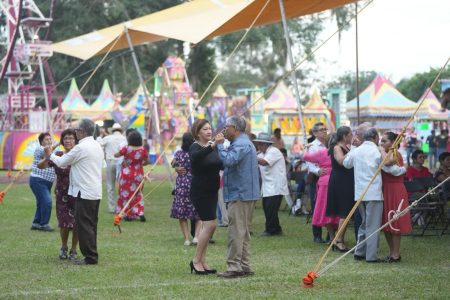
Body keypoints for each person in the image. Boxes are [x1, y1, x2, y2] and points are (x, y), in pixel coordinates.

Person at [46, 119, 103, 265]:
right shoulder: (97, 145)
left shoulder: (81, 147)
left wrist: (50, 154)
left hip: (83, 191)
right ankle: (92, 254)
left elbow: (61, 162)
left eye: (77, 130)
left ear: (82, 131)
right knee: (91, 225)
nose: (75, 133)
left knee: (84, 226)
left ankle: (90, 257)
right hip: (94, 190)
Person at [216, 116, 260, 279]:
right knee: (243, 231)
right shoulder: (244, 142)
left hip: (240, 193)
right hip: (246, 193)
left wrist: (220, 146)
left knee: (235, 230)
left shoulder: (241, 143)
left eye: (226, 127)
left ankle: (234, 266)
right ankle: (245, 265)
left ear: (234, 128)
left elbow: (229, 160)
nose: (224, 130)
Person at [343, 127, 383, 263]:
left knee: (365, 223)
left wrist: (353, 148)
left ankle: (359, 252)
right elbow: (387, 166)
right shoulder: (377, 151)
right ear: (376, 137)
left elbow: (346, 164)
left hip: (360, 193)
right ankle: (371, 256)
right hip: (373, 193)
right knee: (372, 225)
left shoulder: (358, 150)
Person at [188, 119, 223, 275]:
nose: (209, 131)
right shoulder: (195, 147)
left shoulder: (213, 147)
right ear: (197, 132)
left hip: (212, 190)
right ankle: (196, 260)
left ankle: (202, 260)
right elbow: (196, 158)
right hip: (200, 191)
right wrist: (213, 145)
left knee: (210, 226)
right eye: (205, 129)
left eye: (210, 129)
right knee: (209, 225)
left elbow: (219, 164)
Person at [39, 129, 79, 260]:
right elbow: (41, 166)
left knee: (77, 223)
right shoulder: (58, 155)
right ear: (62, 141)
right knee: (63, 223)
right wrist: (48, 154)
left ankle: (74, 249)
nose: (68, 140)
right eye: (65, 138)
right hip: (62, 194)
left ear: (76, 140)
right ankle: (64, 247)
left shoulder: (79, 155)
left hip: (78, 193)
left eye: (71, 138)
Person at [380, 132, 411, 263]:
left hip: (396, 189)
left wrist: (381, 151)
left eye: (384, 141)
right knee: (386, 222)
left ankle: (396, 254)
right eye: (381, 141)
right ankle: (392, 252)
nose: (381, 144)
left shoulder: (395, 154)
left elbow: (390, 169)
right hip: (385, 189)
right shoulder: (385, 154)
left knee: (395, 220)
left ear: (393, 142)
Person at [303, 133, 340, 244]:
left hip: (324, 182)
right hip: (338, 181)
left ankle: (332, 237)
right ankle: (336, 237)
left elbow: (305, 157)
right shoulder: (341, 151)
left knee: (325, 209)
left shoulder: (322, 152)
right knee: (337, 210)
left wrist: (306, 148)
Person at [255, 133, 289, 236]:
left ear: (266, 144)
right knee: (267, 208)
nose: (259, 146)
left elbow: (264, 162)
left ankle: (271, 230)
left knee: (271, 208)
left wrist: (251, 154)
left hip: (276, 186)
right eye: (258, 144)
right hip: (267, 187)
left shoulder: (274, 151)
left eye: (260, 144)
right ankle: (276, 229)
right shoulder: (261, 154)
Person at [326, 126, 354, 251]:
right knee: (344, 211)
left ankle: (340, 239)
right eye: (350, 134)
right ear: (344, 136)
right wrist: (354, 151)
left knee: (347, 211)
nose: (352, 137)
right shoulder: (337, 147)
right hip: (340, 181)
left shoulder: (346, 147)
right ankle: (338, 240)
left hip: (346, 180)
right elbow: (341, 161)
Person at [170, 132, 200, 246]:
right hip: (195, 183)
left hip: (182, 185)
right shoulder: (196, 153)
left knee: (182, 214)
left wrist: (177, 167)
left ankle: (187, 239)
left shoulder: (179, 153)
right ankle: (196, 237)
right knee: (198, 212)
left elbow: (172, 163)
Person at [115, 130, 148, 221]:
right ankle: (140, 213)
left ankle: (128, 214)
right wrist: (139, 164)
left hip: (126, 174)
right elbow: (146, 162)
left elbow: (116, 155)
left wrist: (126, 160)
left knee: (125, 194)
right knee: (138, 193)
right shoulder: (143, 149)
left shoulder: (126, 148)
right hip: (138, 174)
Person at [305, 122, 327, 243]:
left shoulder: (329, 144)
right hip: (317, 178)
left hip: (328, 178)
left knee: (328, 204)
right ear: (315, 133)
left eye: (325, 129)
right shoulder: (312, 146)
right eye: (321, 130)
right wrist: (318, 170)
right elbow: (309, 164)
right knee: (316, 205)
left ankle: (330, 234)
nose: (324, 131)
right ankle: (317, 234)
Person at [30, 132, 56, 232]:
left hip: (46, 182)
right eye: (46, 139)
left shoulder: (52, 151)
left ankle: (36, 223)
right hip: (38, 180)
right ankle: (44, 224)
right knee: (47, 201)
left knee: (41, 202)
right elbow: (48, 151)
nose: (49, 141)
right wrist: (59, 143)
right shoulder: (40, 149)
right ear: (41, 142)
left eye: (50, 139)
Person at [98, 123, 127, 213]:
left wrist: (100, 135)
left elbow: (98, 143)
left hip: (110, 162)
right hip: (122, 163)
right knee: (121, 186)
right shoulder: (124, 138)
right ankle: (120, 207)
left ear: (113, 130)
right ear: (120, 130)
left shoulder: (108, 138)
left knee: (110, 186)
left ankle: (111, 208)